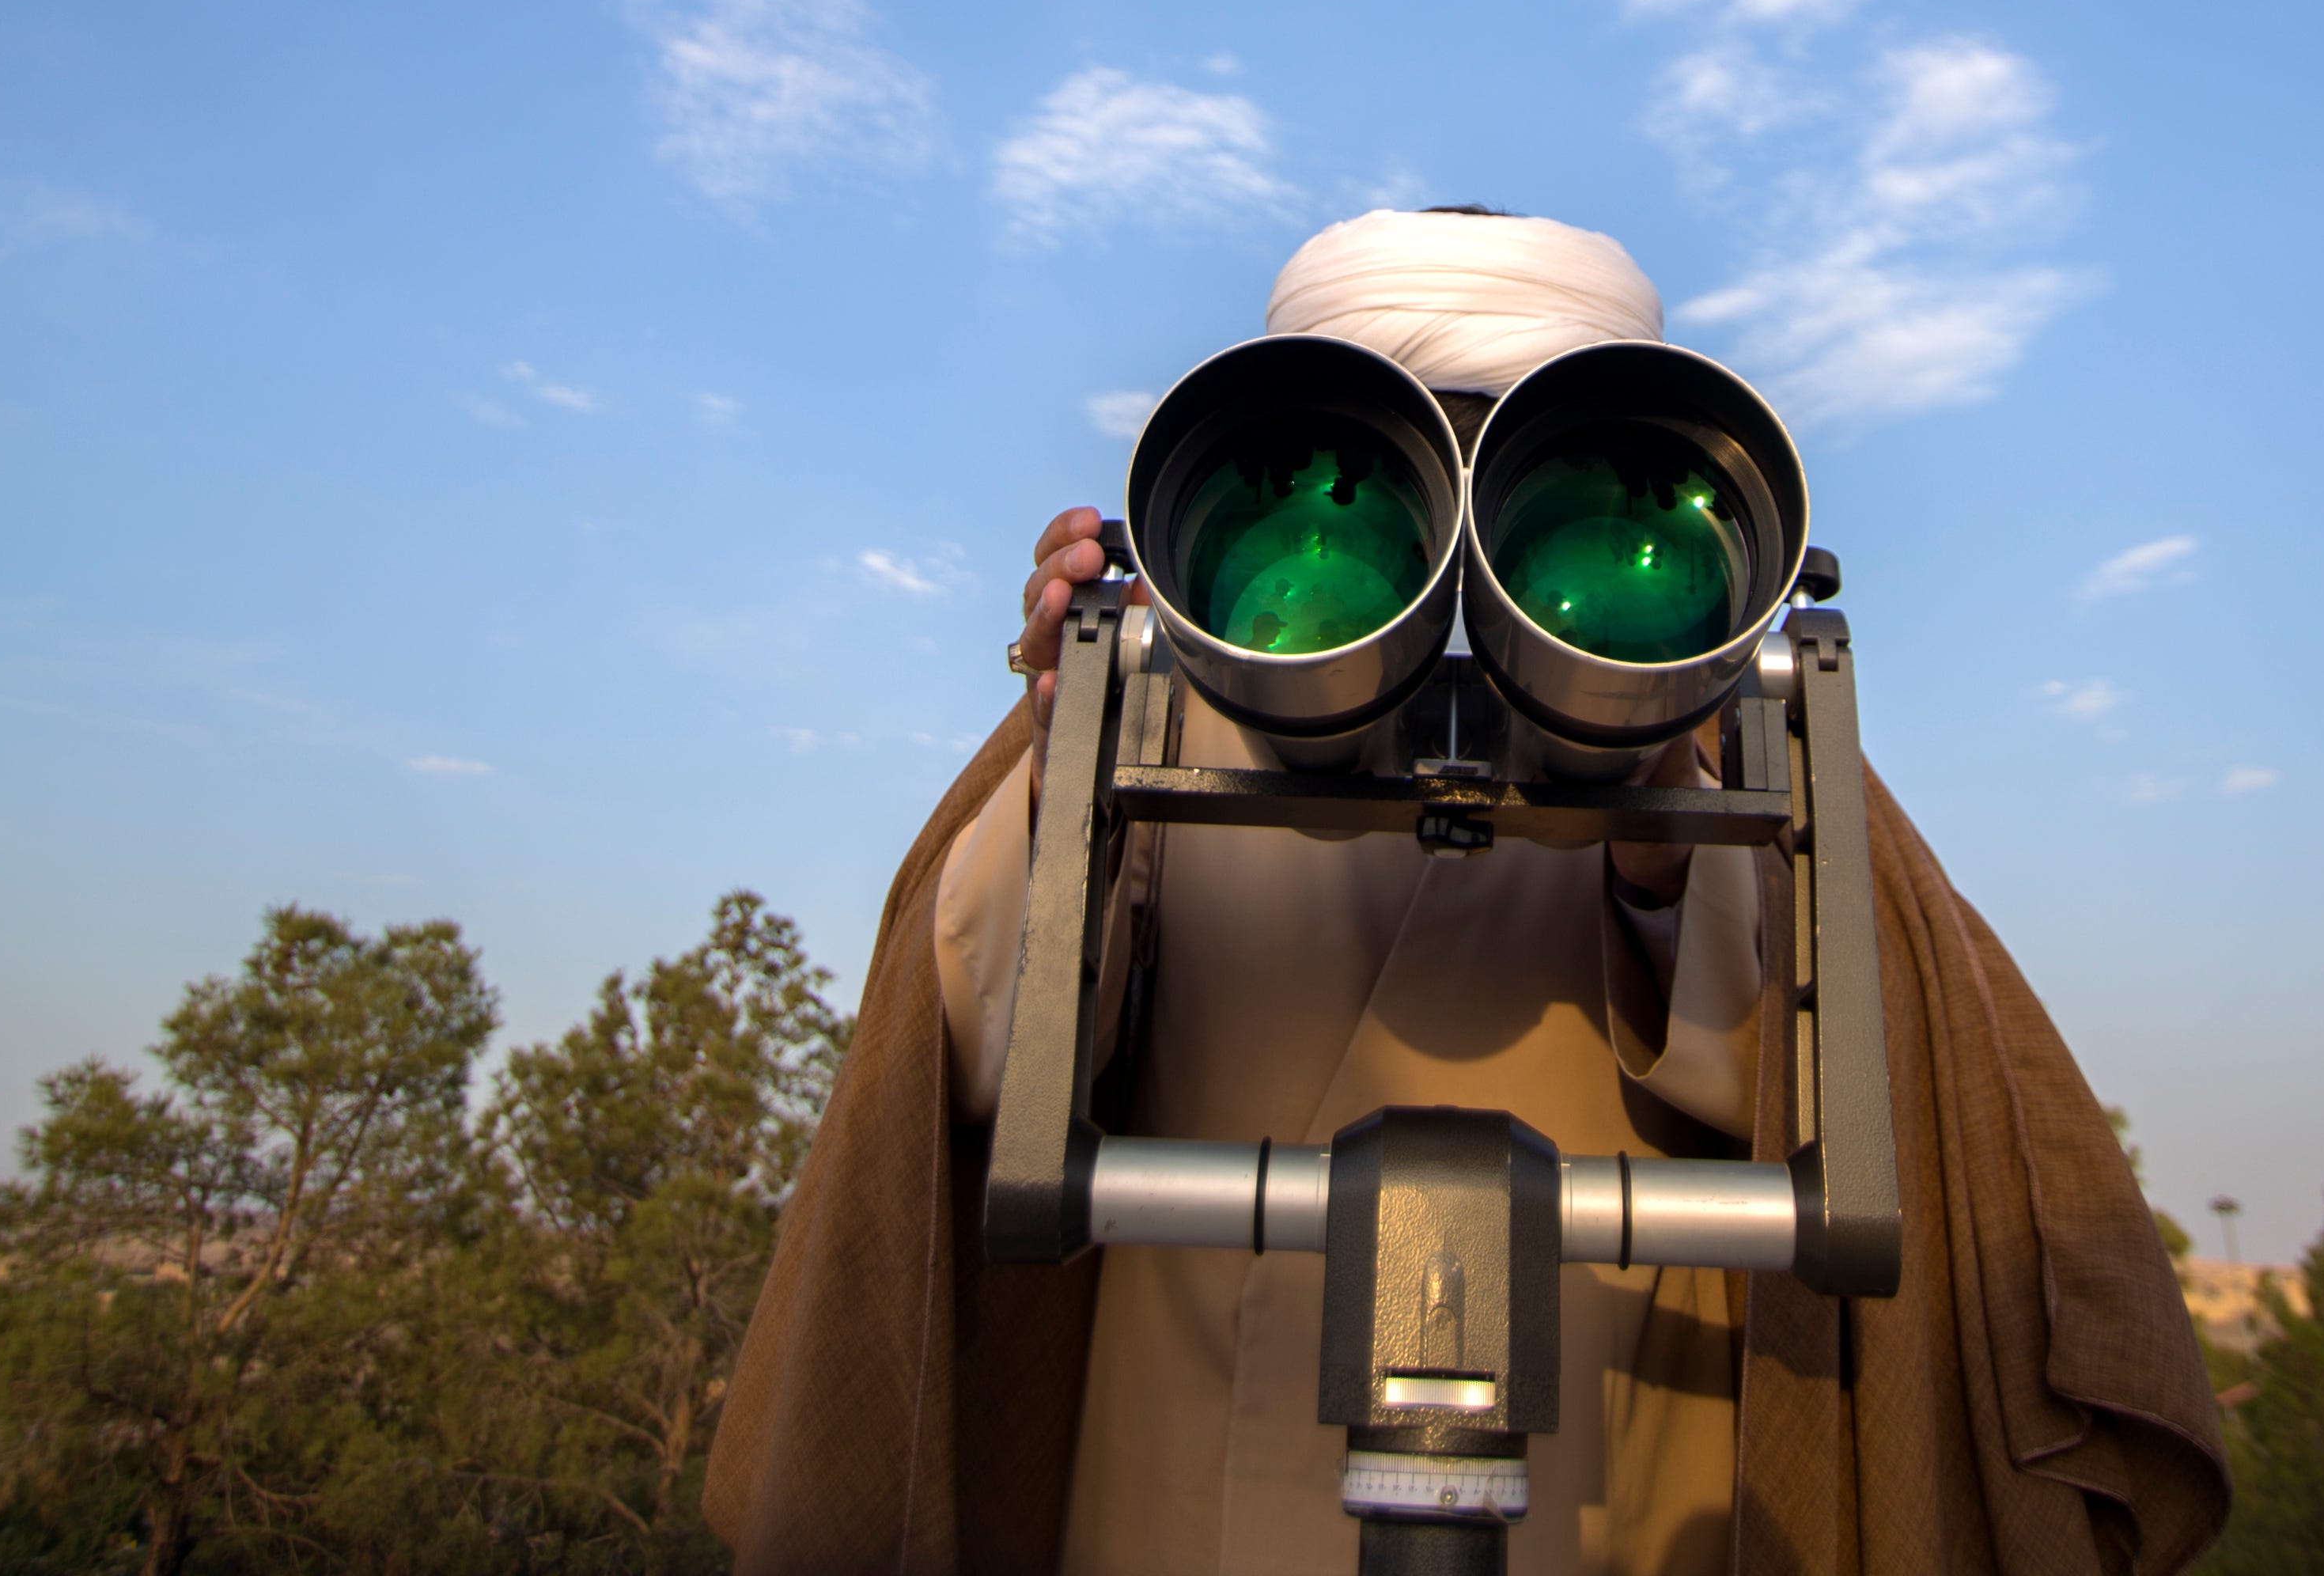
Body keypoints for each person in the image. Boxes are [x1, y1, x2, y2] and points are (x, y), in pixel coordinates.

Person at [702, 210, 2227, 1576]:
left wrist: (1659, 812)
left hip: (1614, 1486)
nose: (1458, 542)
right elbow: (979, 1066)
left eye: (1528, 461)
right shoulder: (1173, 698)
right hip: (1182, 1486)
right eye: (1390, 459)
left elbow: (1815, 1093)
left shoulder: (1734, 736)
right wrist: (1071, 762)